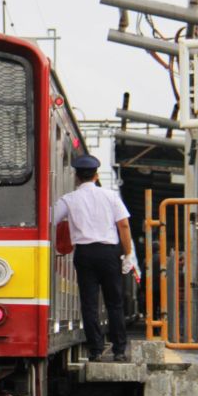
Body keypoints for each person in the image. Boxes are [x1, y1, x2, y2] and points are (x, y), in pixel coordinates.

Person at [53, 154, 134, 362]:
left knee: (89, 304)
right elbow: (123, 225)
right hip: (109, 253)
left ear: (76, 177)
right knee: (114, 303)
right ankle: (118, 351)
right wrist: (128, 253)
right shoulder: (111, 197)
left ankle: (96, 351)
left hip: (85, 254)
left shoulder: (69, 199)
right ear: (96, 176)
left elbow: (50, 219)